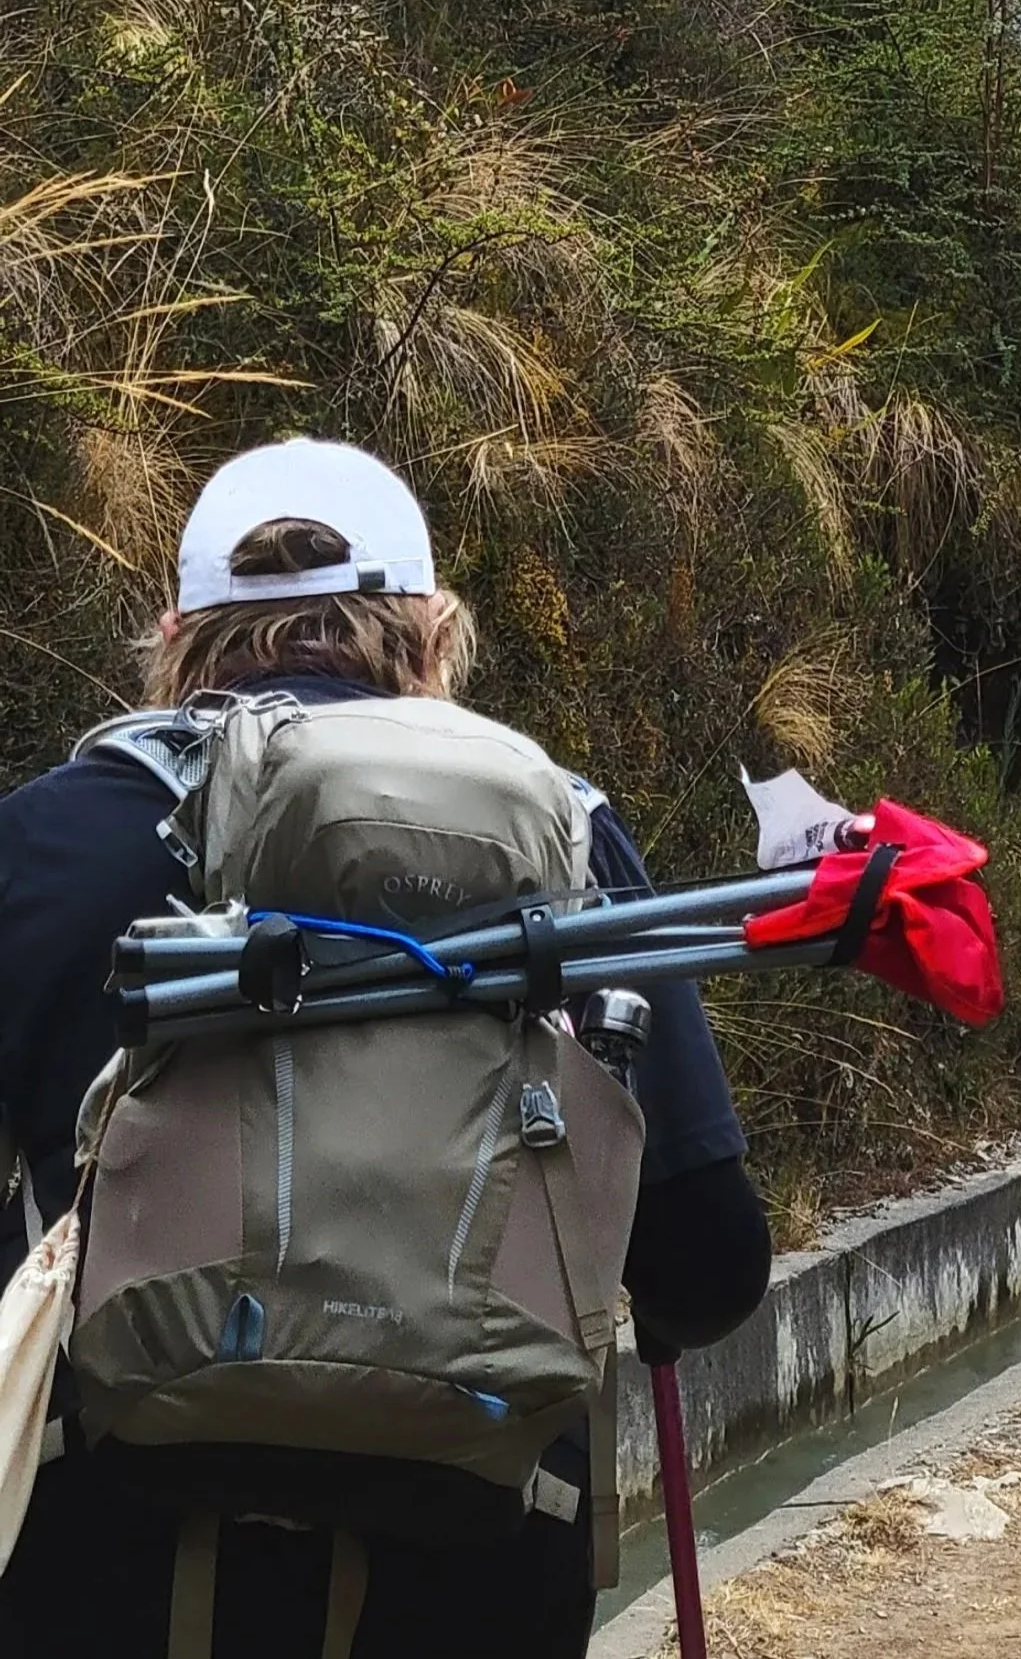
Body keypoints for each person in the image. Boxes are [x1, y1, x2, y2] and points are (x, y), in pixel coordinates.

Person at [0, 439, 775, 1659]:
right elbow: (710, 1265)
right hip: (473, 1573)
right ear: (432, 633)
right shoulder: (558, 835)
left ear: (175, 637)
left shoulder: (38, 844)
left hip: (105, 1577)